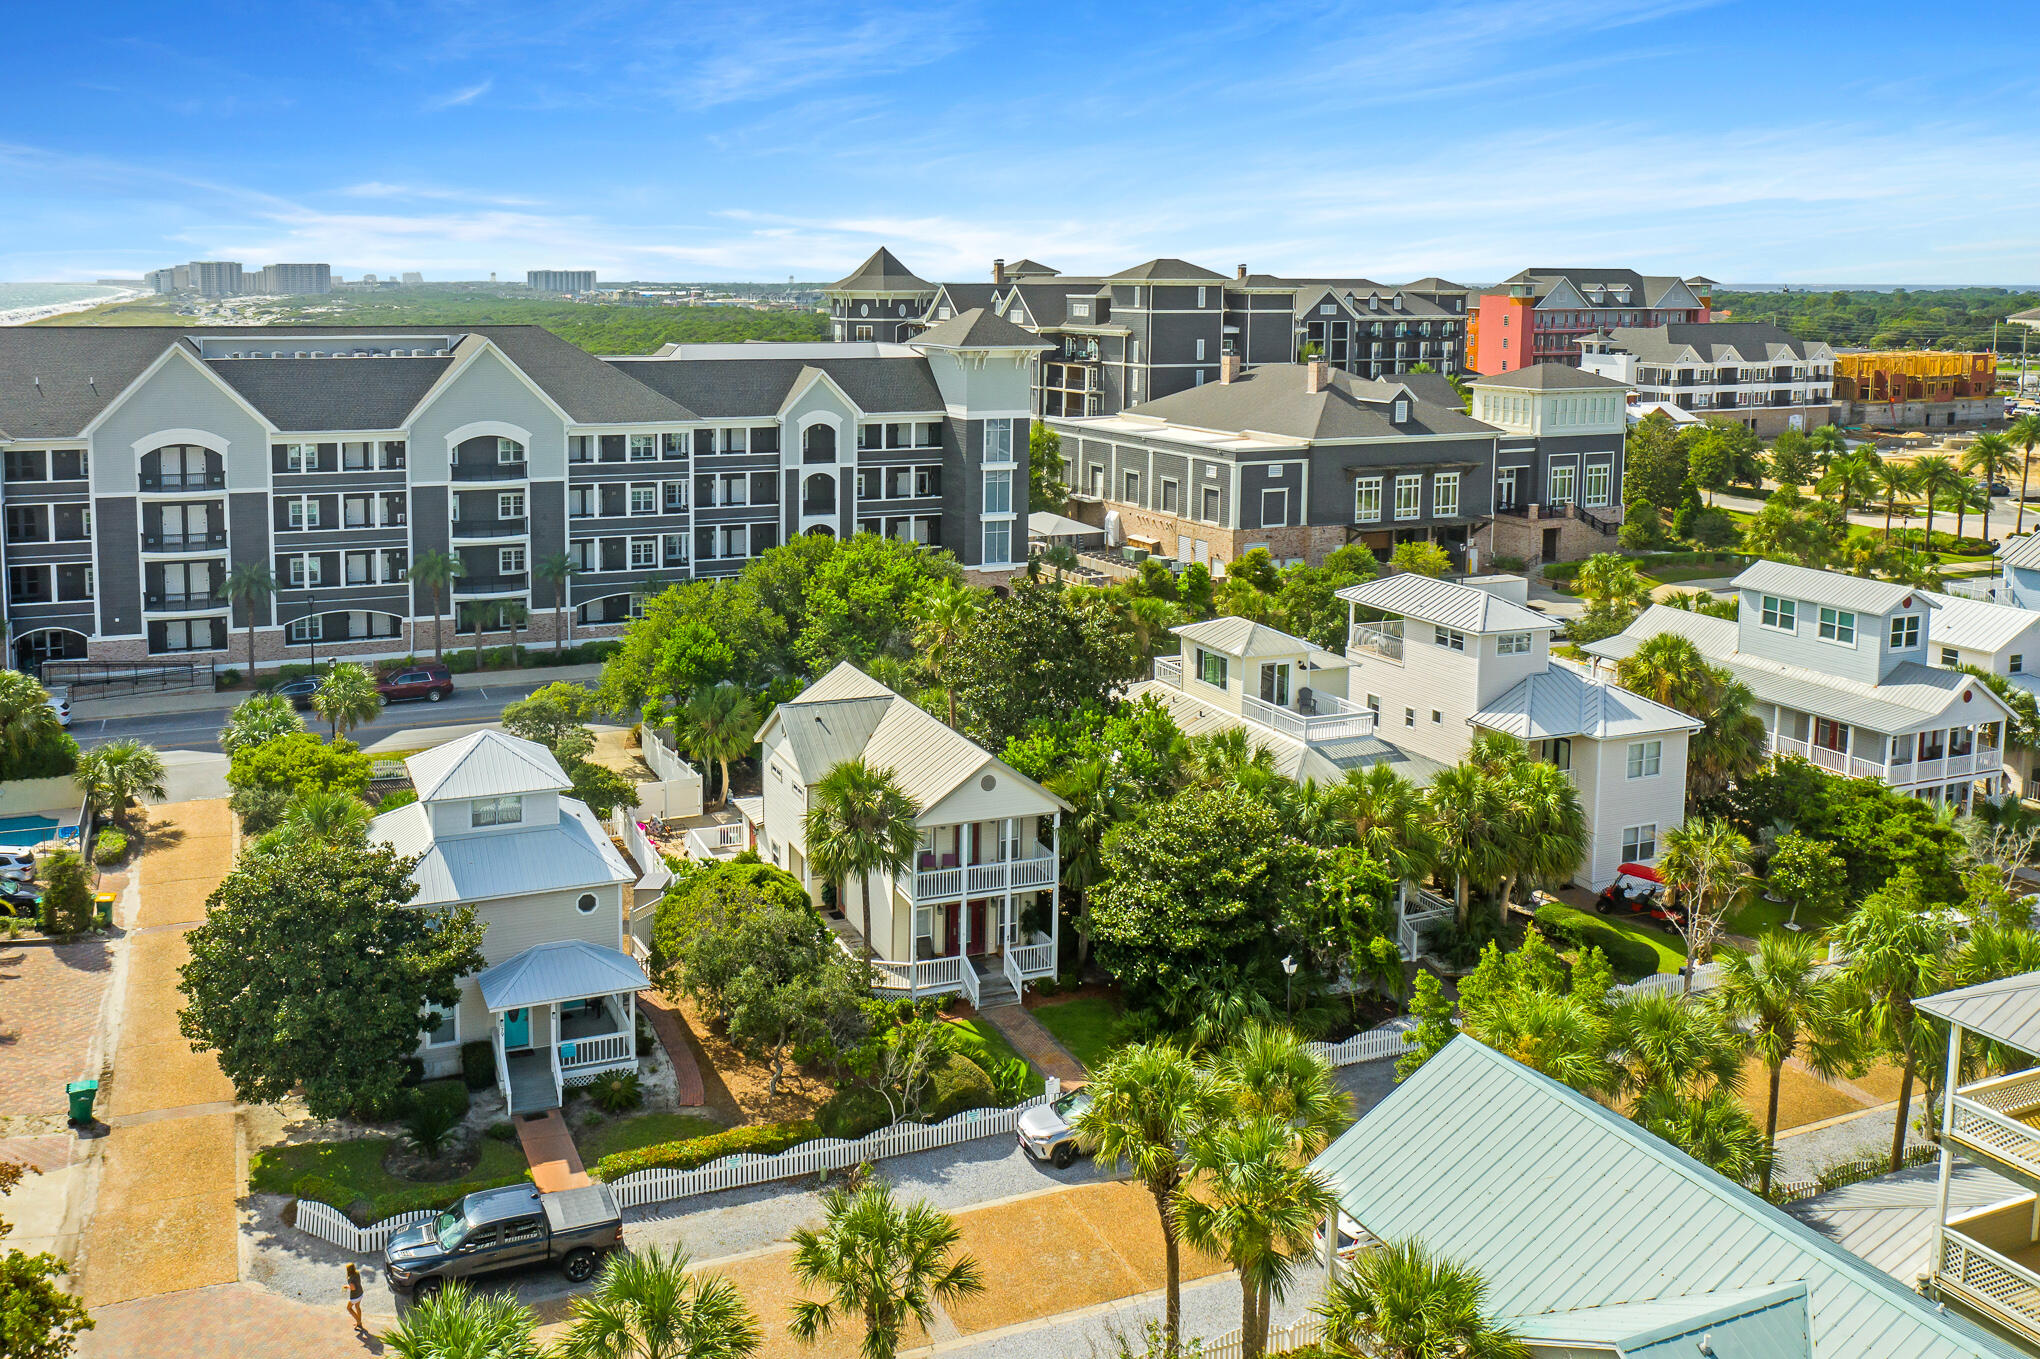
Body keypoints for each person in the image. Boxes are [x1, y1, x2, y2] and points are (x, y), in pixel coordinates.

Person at [344, 1261, 365, 1331]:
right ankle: (359, 1323)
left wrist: (347, 1287)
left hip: (355, 1296)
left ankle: (358, 1321)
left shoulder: (350, 1278)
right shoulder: (357, 1273)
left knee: (349, 1308)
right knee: (357, 1307)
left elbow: (353, 1288)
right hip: (360, 1293)